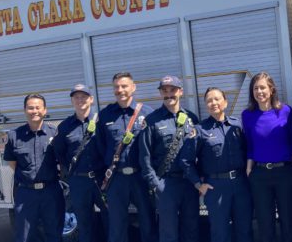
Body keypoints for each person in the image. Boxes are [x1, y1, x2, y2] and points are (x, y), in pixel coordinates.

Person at [180, 87, 253, 242]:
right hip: (216, 187)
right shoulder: (200, 130)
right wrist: (199, 184)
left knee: (245, 230)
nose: (213, 103)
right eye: (209, 100)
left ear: (225, 102)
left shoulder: (237, 125)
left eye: (217, 99)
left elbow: (248, 151)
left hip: (241, 184)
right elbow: (186, 160)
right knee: (220, 233)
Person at [96, 72, 155, 242]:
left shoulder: (147, 113)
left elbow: (154, 146)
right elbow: (100, 147)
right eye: (116, 87)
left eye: (124, 86)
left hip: (141, 177)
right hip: (116, 178)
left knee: (148, 221)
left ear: (133, 88)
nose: (120, 90)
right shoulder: (105, 114)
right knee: (117, 225)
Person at [139, 75, 200, 242]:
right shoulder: (151, 121)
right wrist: (156, 184)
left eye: (172, 90)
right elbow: (144, 157)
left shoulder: (191, 118)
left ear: (180, 91)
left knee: (192, 228)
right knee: (168, 232)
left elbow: (199, 151)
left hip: (189, 184)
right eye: (164, 91)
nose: (168, 94)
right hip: (166, 184)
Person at [241, 72, 292, 242]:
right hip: (259, 175)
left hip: (285, 173)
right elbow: (250, 144)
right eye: (255, 88)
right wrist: (249, 168)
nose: (259, 91)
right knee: (265, 224)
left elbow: (291, 139)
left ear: (271, 89)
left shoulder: (285, 111)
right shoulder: (247, 115)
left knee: (288, 221)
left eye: (262, 87)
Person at [3, 94, 64, 242]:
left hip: (51, 192)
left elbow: (62, 161)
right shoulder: (14, 136)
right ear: (25, 110)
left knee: (54, 233)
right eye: (30, 108)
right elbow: (12, 163)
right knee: (24, 236)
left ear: (44, 110)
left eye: (38, 107)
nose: (34, 111)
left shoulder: (55, 133)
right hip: (26, 194)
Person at [53, 84, 107, 242]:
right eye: (76, 97)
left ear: (91, 99)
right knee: (84, 225)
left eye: (83, 96)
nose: (80, 100)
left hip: (102, 180)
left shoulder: (102, 122)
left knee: (110, 220)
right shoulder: (64, 127)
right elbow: (60, 153)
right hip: (78, 182)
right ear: (72, 101)